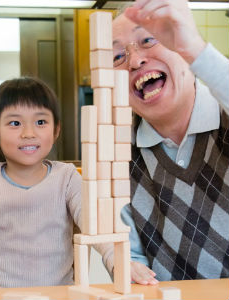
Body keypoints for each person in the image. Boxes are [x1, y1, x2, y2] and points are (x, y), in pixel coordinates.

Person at [0, 77, 115, 292]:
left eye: (40, 122)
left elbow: (93, 224)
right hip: (2, 295)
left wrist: (117, 260)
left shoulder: (67, 177)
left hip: (60, 296)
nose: (28, 133)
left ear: (56, 130)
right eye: (15, 123)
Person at [113, 0, 229, 281]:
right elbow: (131, 259)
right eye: (117, 57)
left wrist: (196, 51)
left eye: (148, 40)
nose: (135, 60)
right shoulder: (118, 156)